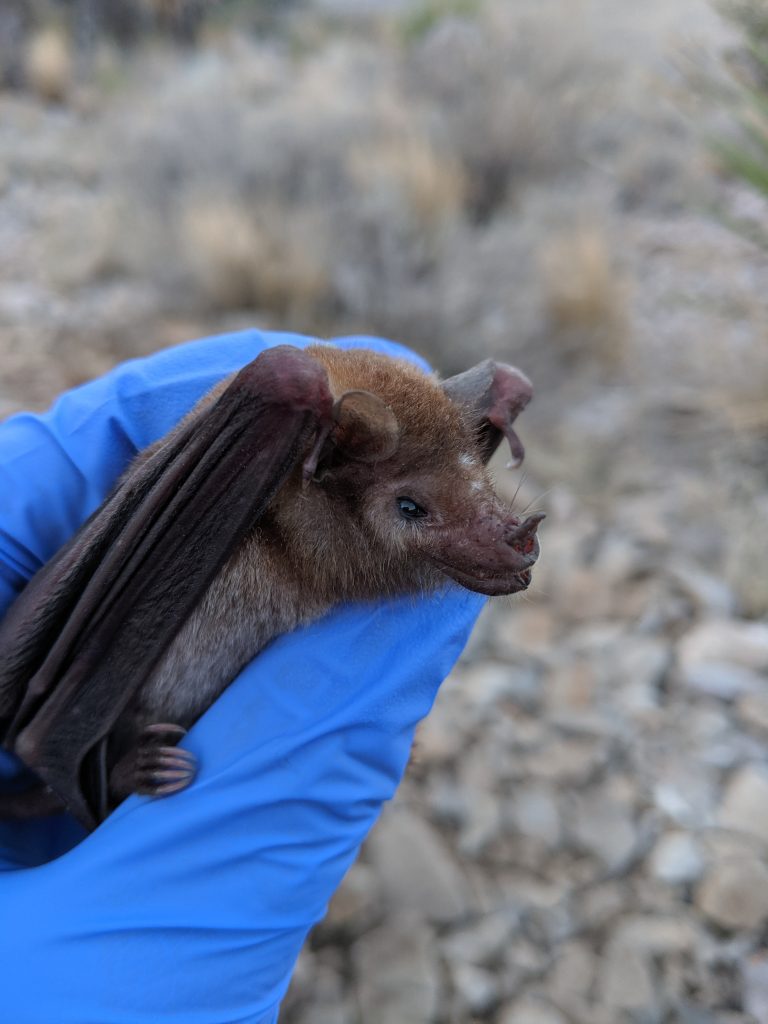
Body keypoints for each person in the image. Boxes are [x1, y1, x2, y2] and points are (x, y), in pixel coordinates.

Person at [0, 329, 484, 1024]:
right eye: (412, 508)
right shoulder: (270, 495)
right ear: (321, 457)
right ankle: (103, 767)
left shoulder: (344, 528)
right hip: (121, 703)